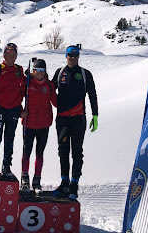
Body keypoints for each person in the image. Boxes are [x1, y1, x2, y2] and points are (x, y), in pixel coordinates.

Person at [51, 45, 98, 200]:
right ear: (66, 56)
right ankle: (64, 182)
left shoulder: (85, 74)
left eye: (75, 55)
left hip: (79, 119)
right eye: (70, 55)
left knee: (77, 152)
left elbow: (92, 94)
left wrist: (95, 115)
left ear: (78, 57)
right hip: (62, 119)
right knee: (63, 150)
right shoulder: (60, 73)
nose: (73, 58)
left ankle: (74, 184)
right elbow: (48, 89)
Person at [0, 43, 26, 177]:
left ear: (16, 56)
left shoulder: (19, 70)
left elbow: (22, 91)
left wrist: (21, 109)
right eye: (8, 54)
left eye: (13, 54)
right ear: (3, 55)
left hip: (13, 110)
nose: (10, 57)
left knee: (10, 138)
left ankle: (6, 166)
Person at [21, 59, 57, 194]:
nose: (39, 73)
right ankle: (25, 179)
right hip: (29, 123)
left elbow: (56, 103)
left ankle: (37, 181)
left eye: (42, 71)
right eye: (37, 70)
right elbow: (18, 96)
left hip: (43, 124)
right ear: (33, 71)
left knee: (39, 153)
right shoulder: (27, 83)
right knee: (26, 152)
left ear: (45, 72)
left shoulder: (49, 85)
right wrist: (20, 111)